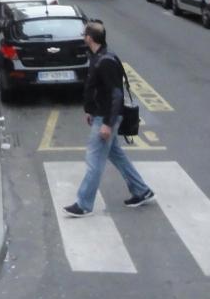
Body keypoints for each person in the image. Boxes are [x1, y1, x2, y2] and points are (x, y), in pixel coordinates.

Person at [62, 22, 155, 217]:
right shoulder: (99, 56)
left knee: (94, 160)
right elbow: (96, 89)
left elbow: (117, 95)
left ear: (90, 38)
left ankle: (84, 204)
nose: (83, 37)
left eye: (84, 34)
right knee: (116, 155)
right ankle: (141, 190)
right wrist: (89, 109)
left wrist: (107, 124)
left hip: (106, 117)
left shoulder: (106, 61)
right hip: (100, 114)